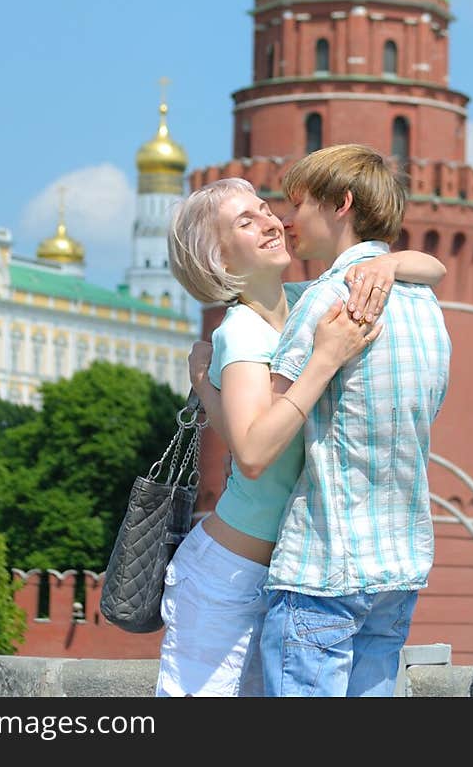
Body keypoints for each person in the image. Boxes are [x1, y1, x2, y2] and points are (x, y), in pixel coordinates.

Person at [155, 175, 446, 698]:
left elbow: (437, 267)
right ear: (218, 258)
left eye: (265, 209)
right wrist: (327, 359)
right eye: (245, 221)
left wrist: (384, 263)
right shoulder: (241, 332)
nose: (270, 220)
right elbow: (253, 453)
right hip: (231, 578)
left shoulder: (304, 300)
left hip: (297, 573)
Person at [258, 143, 452, 698]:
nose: (287, 220)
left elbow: (266, 434)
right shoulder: (427, 307)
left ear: (341, 203)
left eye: (298, 204)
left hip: (324, 567)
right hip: (400, 567)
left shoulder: (325, 301)